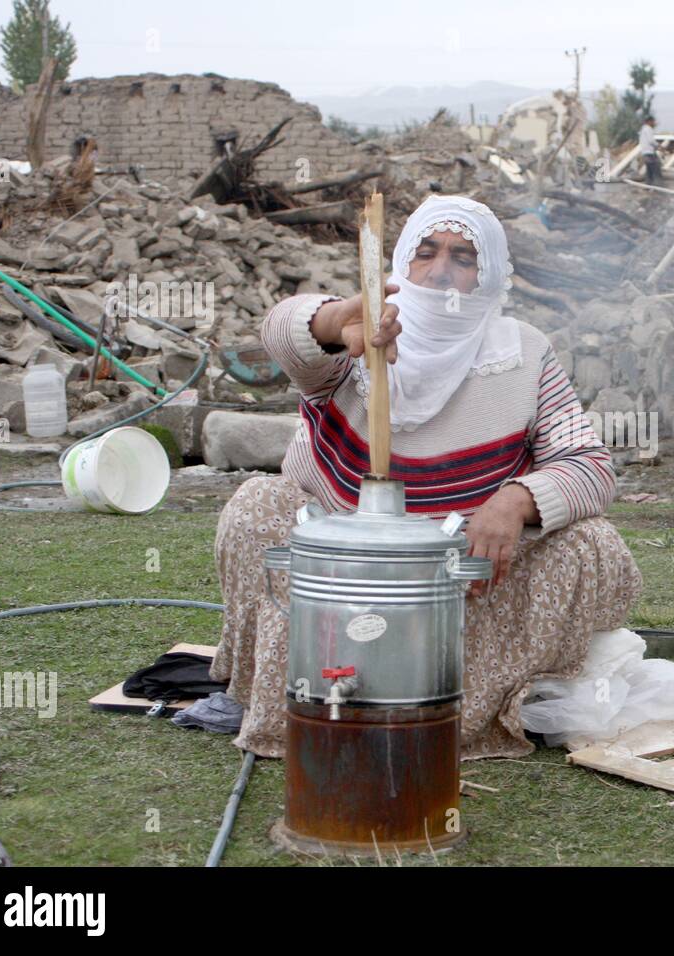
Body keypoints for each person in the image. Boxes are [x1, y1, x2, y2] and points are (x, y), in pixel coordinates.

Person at [211, 194, 643, 760]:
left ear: (487, 276)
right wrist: (337, 318)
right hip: (345, 564)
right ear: (401, 265)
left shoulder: (524, 352)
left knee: (593, 544)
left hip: (462, 570)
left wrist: (515, 500)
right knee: (256, 505)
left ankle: (466, 701)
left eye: (464, 258)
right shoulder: (364, 332)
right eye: (427, 253)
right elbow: (280, 334)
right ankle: (288, 695)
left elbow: (588, 463)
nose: (441, 271)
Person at [639, 115, 663, 185]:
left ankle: (648, 186)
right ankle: (659, 186)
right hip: (650, 153)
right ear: (649, 122)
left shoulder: (643, 129)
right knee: (656, 169)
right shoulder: (648, 129)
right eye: (653, 122)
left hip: (645, 153)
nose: (654, 123)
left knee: (649, 171)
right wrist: (659, 146)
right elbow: (651, 141)